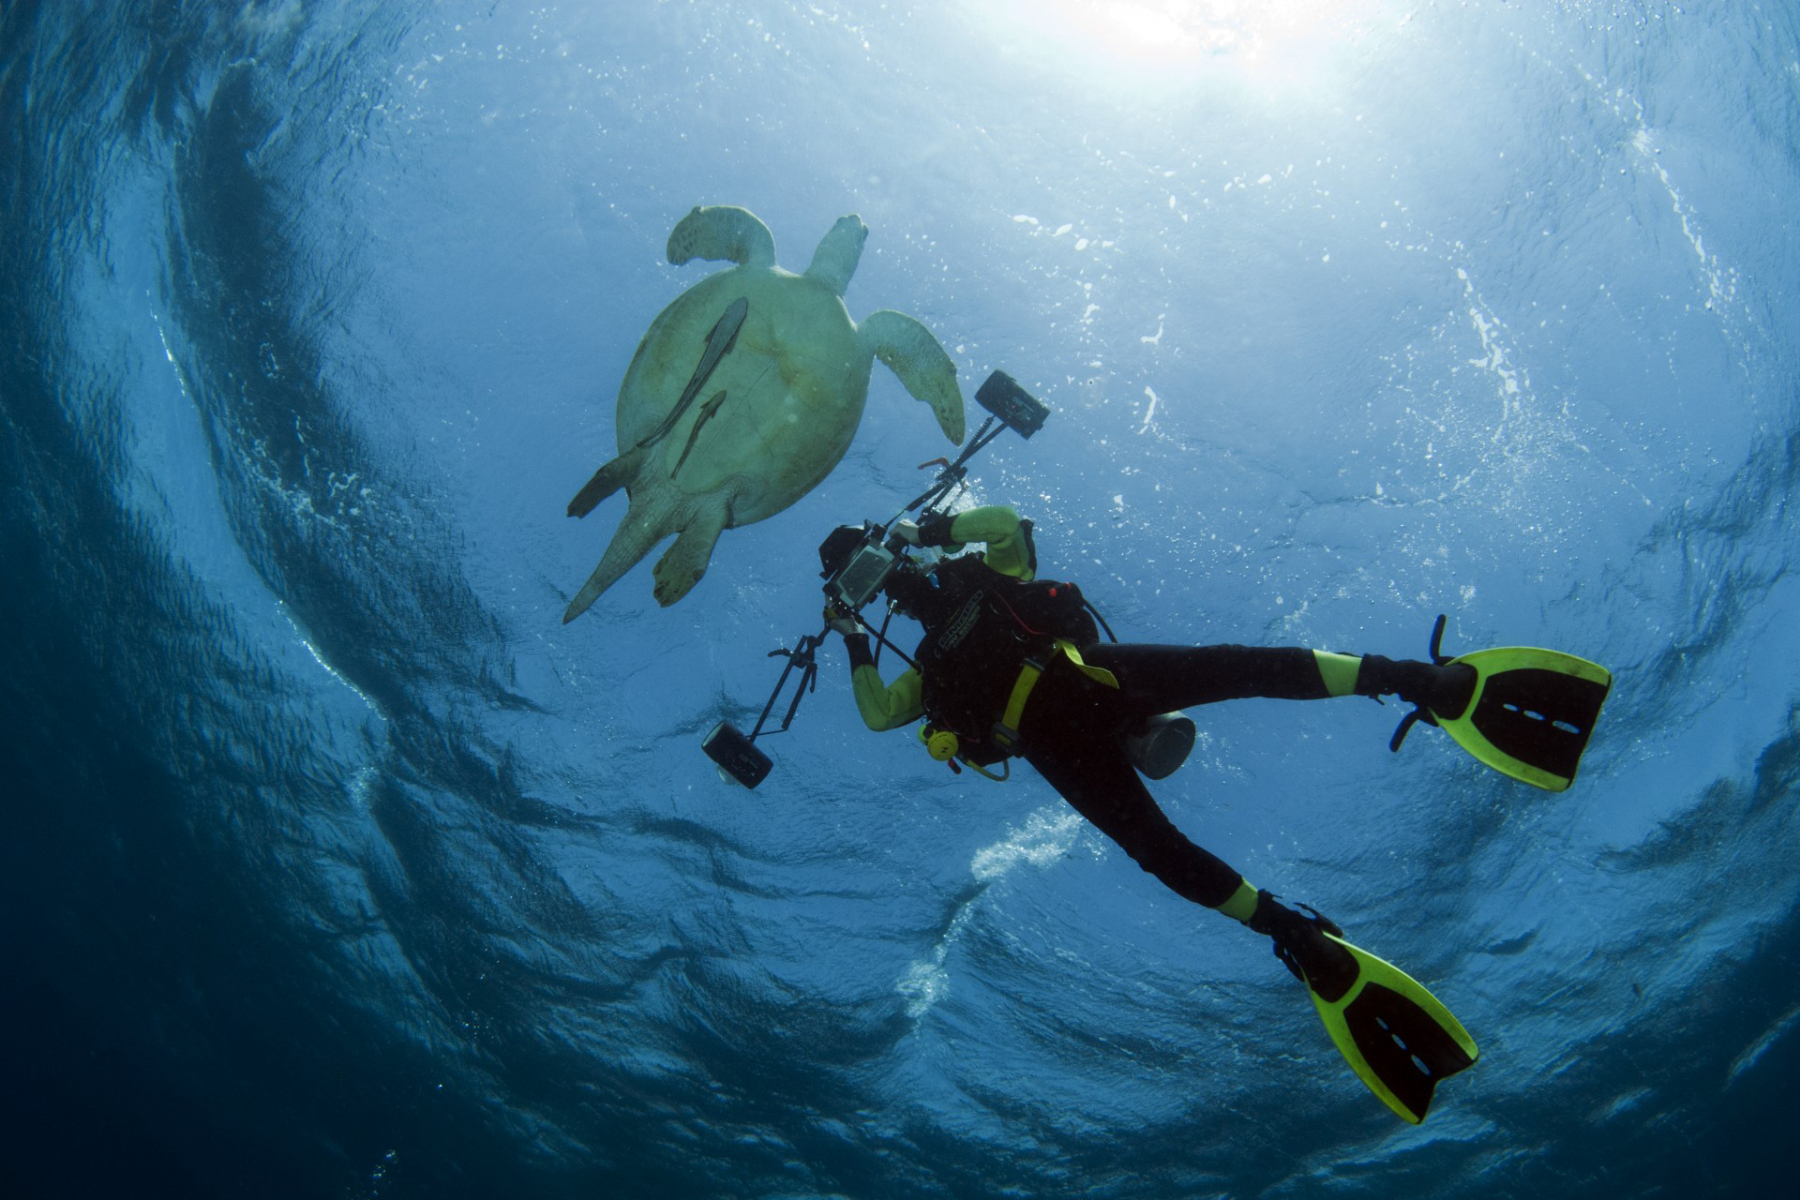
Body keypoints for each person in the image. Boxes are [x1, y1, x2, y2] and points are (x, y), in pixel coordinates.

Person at [820, 504, 1610, 1123]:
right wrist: (855, 638)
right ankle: (1290, 931)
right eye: (857, 582)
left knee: (1238, 668)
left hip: (1091, 685)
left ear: (894, 553)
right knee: (1158, 850)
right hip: (1064, 742)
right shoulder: (923, 666)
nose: (876, 582)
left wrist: (927, 528)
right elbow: (880, 714)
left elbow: (1000, 520)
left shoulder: (971, 580)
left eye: (872, 563)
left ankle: (1417, 682)